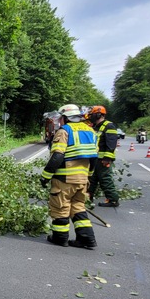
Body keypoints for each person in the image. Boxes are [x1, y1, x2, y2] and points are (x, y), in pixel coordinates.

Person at [41, 104, 98, 249]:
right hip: (82, 179)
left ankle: (60, 238)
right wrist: (89, 176)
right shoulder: (90, 131)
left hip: (64, 179)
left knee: (60, 207)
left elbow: (57, 156)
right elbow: (93, 158)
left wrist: (45, 176)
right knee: (78, 207)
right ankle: (87, 239)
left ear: (65, 118)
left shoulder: (64, 131)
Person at [87, 105, 120, 208]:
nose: (90, 117)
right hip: (94, 158)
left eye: (92, 115)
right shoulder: (95, 126)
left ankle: (113, 200)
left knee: (105, 179)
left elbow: (111, 143)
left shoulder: (109, 126)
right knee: (91, 179)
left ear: (98, 114)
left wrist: (107, 158)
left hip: (103, 159)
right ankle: (88, 197)